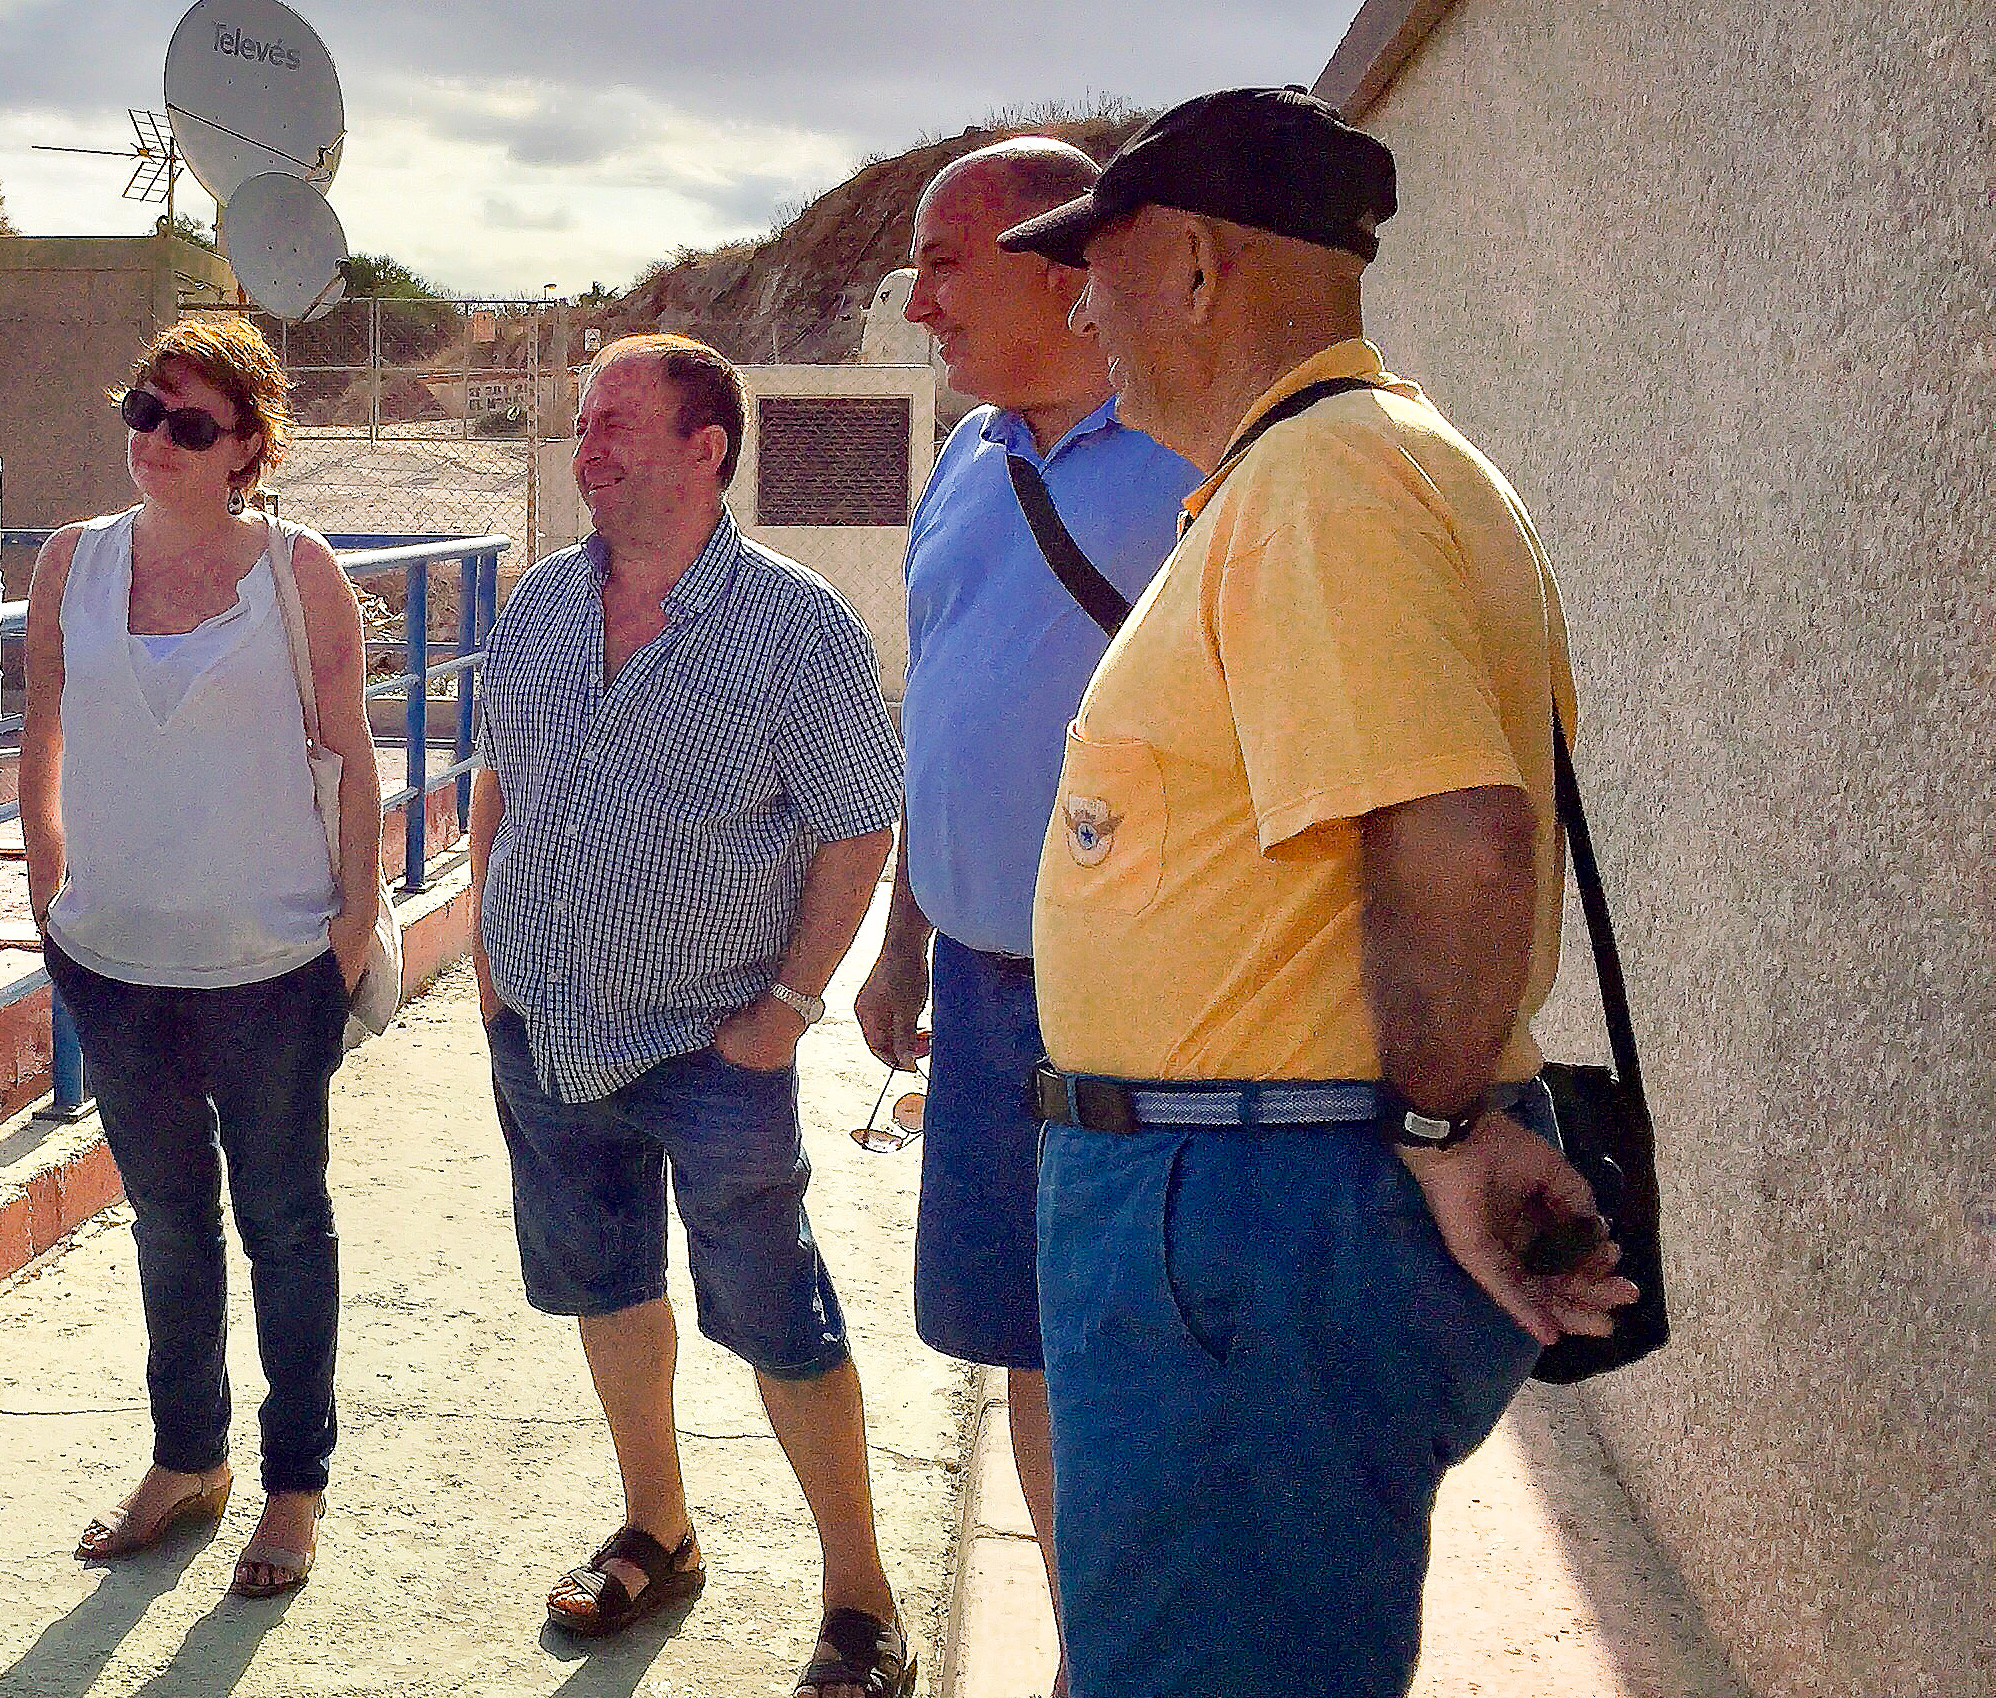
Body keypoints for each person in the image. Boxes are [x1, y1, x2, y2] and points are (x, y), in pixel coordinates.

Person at [994, 87, 1640, 1698]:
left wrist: (1435, 1123)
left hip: (1244, 1221)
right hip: (1242, 1207)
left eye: (1104, 261)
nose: (1082, 302)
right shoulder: (1348, 466)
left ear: (1203, 267)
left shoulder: (1323, 481)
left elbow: (1457, 838)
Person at [472, 333, 914, 1698]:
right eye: (585, 424)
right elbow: (504, 779)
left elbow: (859, 825)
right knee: (606, 1285)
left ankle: (860, 1599)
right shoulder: (542, 604)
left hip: (716, 1047)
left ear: (705, 446)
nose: (586, 446)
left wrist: (789, 1009)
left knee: (780, 1314)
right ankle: (658, 1526)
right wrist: (492, 960)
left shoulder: (797, 626)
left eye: (614, 423)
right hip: (544, 1033)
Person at [850, 138, 1202, 1697]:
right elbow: (949, 705)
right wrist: (905, 932)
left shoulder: (1203, 465)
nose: (916, 297)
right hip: (986, 993)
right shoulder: (967, 457)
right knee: (1032, 1346)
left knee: (1143, 1354)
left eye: (946, 260)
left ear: (1069, 277)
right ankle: (1089, 1659)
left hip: (1147, 1002)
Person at [17, 317, 379, 1599]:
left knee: (284, 1222)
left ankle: (293, 1487)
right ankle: (187, 1459)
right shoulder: (72, 559)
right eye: (141, 408)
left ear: (248, 450)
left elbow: (351, 752)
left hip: (271, 965)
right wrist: (45, 887)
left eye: (189, 424)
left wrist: (350, 927)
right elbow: (43, 732)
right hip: (112, 962)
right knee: (169, 1224)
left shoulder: (297, 568)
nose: (153, 439)